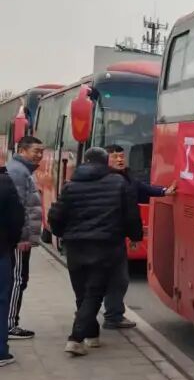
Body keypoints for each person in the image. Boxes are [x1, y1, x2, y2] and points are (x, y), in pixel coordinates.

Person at [47, 147, 142, 356]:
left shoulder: (70, 185)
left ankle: (92, 335)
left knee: (82, 292)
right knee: (94, 292)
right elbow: (131, 215)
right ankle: (76, 338)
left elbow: (56, 215)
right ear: (105, 161)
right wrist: (135, 236)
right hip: (106, 245)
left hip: (75, 246)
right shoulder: (118, 183)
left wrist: (62, 233)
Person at [103, 144, 175, 329]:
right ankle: (98, 318)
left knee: (117, 279)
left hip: (114, 238)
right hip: (104, 239)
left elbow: (142, 189)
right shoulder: (104, 180)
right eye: (115, 157)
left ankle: (109, 316)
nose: (120, 159)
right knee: (107, 279)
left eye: (121, 156)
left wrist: (164, 191)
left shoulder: (127, 178)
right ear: (105, 159)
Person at [6, 135, 44, 341]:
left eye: (41, 152)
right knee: (17, 279)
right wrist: (22, 237)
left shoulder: (20, 170)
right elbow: (18, 208)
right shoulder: (19, 172)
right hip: (19, 240)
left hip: (18, 237)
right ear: (22, 151)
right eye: (36, 151)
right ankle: (10, 324)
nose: (40, 155)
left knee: (17, 279)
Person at [0, 164, 25, 368]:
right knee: (1, 300)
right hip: (1, 250)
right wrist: (11, 242)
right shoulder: (5, 182)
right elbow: (16, 219)